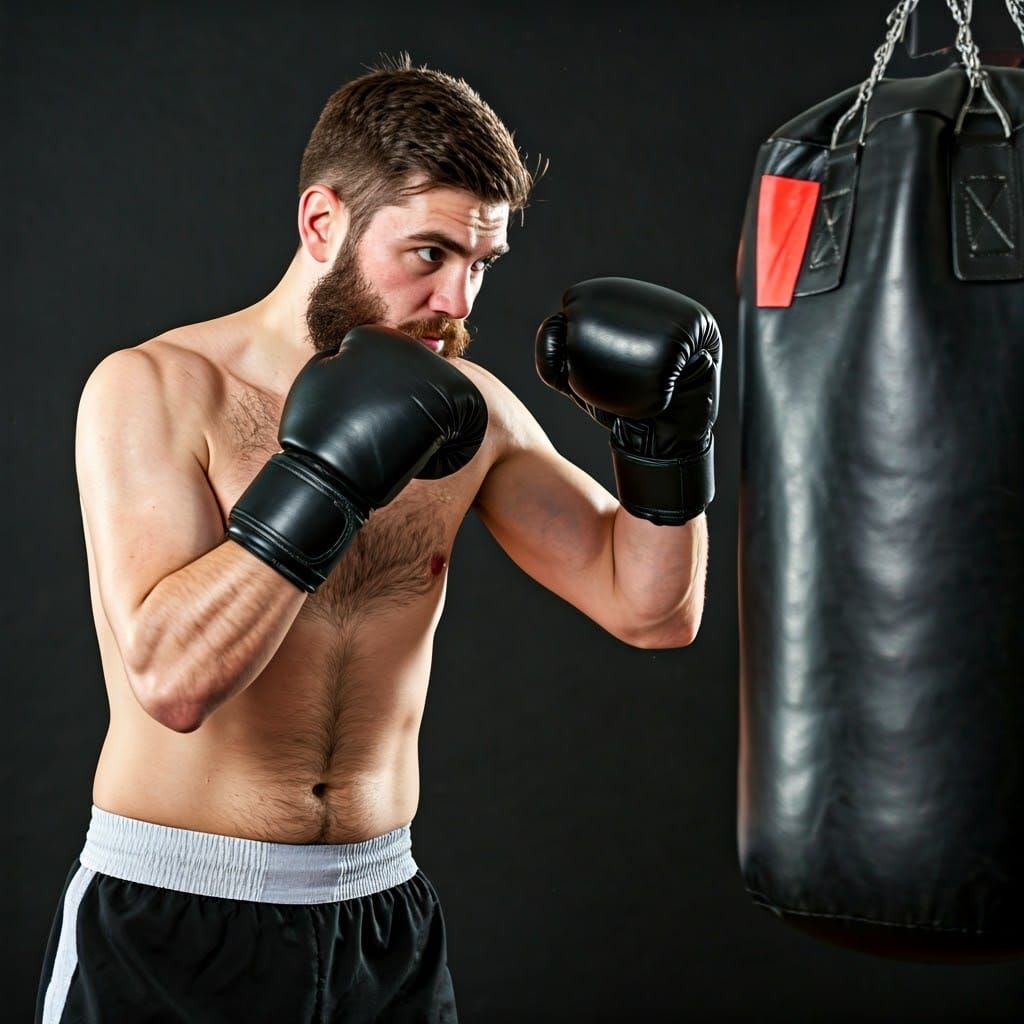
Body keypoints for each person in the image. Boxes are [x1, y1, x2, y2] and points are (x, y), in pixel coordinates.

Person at [36, 56, 720, 1024]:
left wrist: (664, 448)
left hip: (379, 926)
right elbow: (173, 681)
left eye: (480, 264)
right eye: (430, 254)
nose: (459, 302)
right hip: (172, 919)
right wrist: (327, 479)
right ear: (323, 222)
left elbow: (650, 609)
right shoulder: (157, 389)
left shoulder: (469, 411)